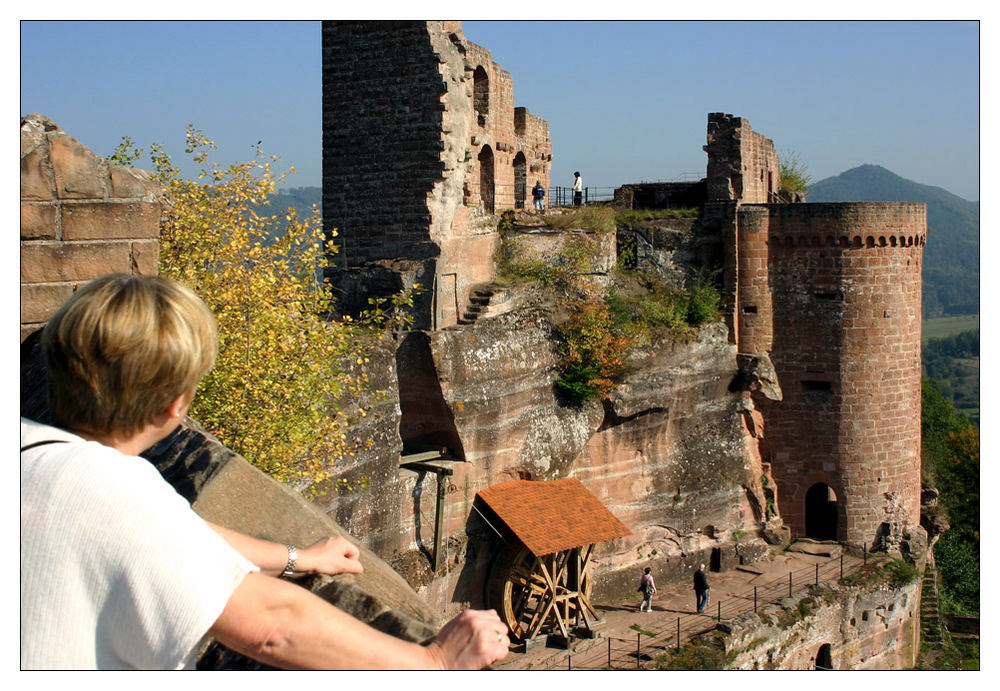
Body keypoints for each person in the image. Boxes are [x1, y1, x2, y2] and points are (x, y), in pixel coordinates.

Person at [20, 273, 510, 670]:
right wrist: (434, 660)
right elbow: (274, 628)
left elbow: (182, 533)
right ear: (176, 408)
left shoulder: (31, 449)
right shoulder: (117, 497)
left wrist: (299, 557)